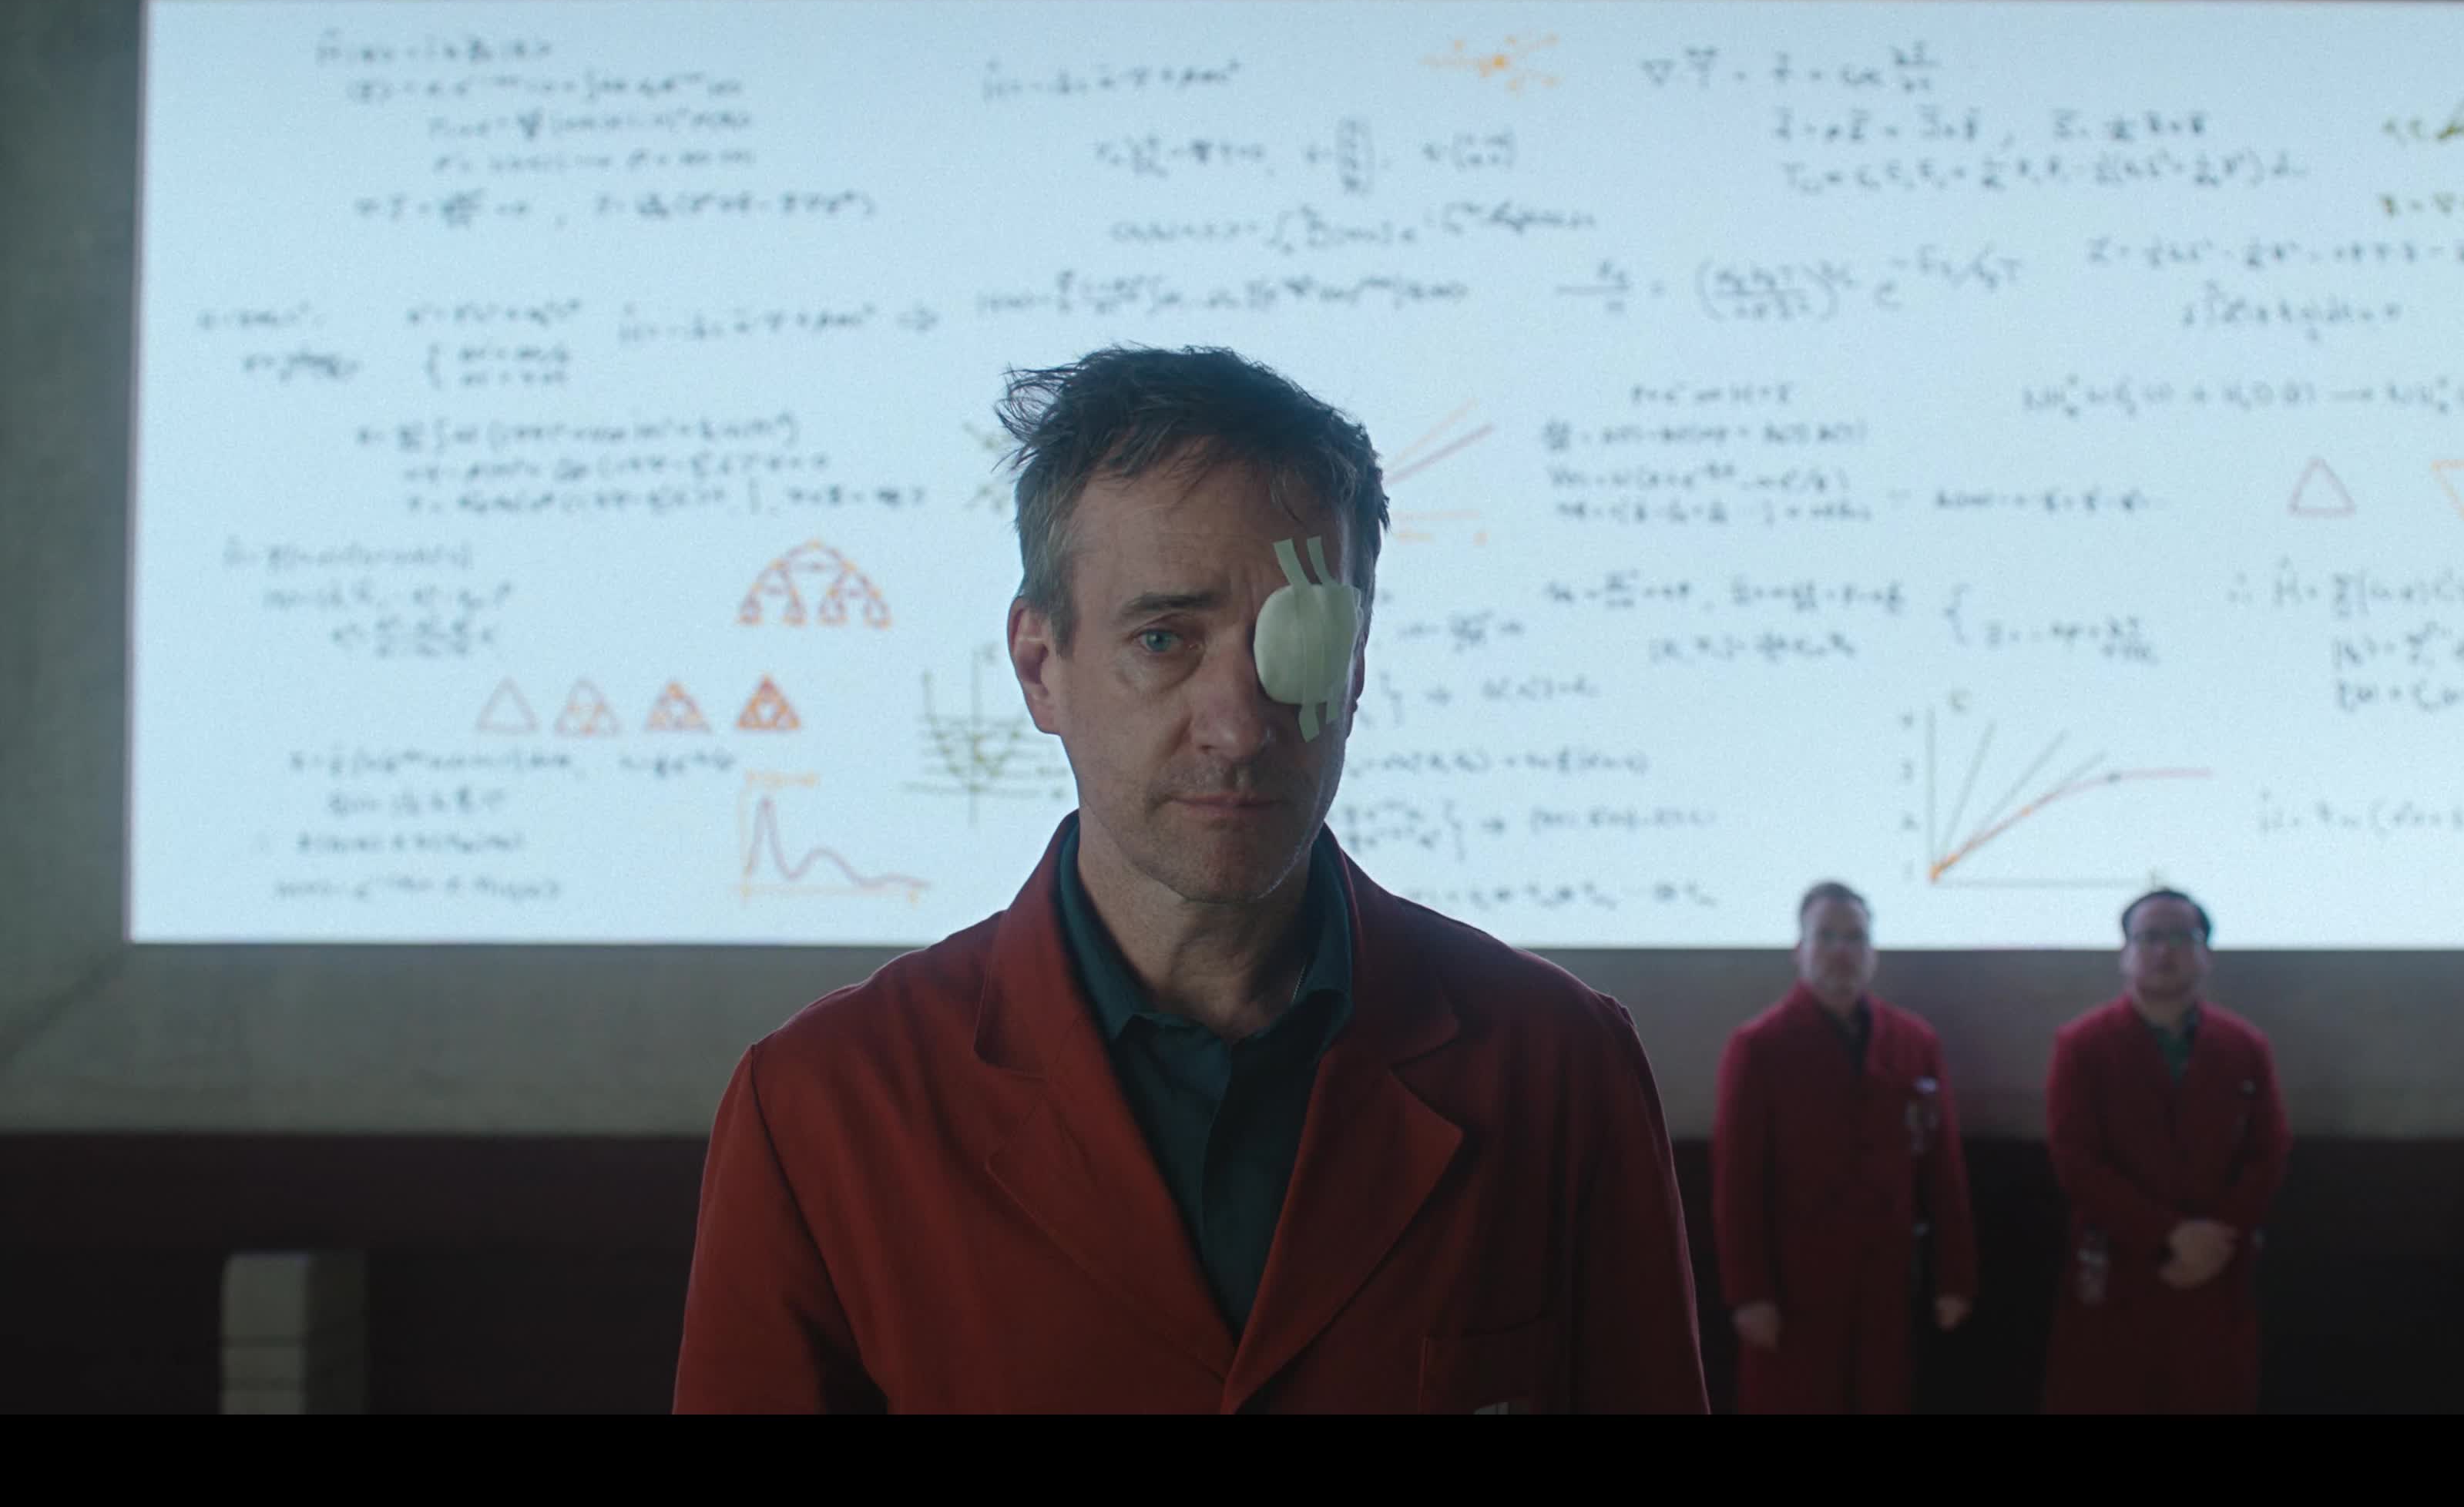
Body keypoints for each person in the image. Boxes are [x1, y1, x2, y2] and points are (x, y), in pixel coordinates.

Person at [673, 346, 1708, 1413]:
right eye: (1164, 638)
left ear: (1355, 667)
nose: (1240, 725)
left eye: (1298, 642)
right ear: (1040, 667)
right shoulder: (825, 1110)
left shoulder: (1558, 1067)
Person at [1711, 882, 1979, 1413]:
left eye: (1855, 937)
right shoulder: (1759, 1046)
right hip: (1795, 1287)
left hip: (1887, 1282)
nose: (1841, 950)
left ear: (1872, 952)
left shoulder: (1914, 1042)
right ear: (1800, 949)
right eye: (1826, 936)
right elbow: (1737, 1183)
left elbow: (1942, 1168)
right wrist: (1749, 1294)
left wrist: (1955, 1277)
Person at [2041, 888, 2291, 1414]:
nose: (2164, 950)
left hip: (2217, 1272)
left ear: (2206, 954)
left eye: (2182, 936)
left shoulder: (2245, 1047)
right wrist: (2168, 1234)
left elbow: (2267, 1154)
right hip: (2118, 1272)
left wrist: (2213, 1240)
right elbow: (2075, 1160)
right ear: (2125, 953)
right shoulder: (2082, 1045)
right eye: (2149, 937)